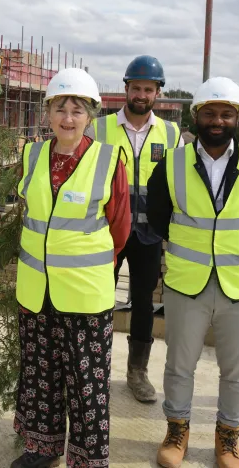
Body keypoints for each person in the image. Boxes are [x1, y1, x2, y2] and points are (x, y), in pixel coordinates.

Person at [146, 77, 239, 468]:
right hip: (186, 283)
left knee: (237, 370)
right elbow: (157, 217)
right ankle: (177, 430)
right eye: (210, 113)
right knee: (179, 365)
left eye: (226, 113)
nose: (218, 121)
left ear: (238, 117)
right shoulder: (172, 164)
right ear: (197, 116)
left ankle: (228, 438)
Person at [12, 68, 131, 468]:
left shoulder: (108, 160)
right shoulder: (32, 155)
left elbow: (120, 227)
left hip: (84, 294)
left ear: (90, 116)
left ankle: (86, 459)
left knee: (87, 384)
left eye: (77, 110)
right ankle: (41, 449)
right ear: (47, 113)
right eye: (60, 109)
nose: (67, 118)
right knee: (39, 375)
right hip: (36, 291)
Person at [87, 55, 181, 403]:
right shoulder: (98, 129)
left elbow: (176, 182)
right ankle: (94, 367)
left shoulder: (170, 134)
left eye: (149, 89)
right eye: (136, 88)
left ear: (158, 93)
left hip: (148, 234)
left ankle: (137, 372)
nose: (142, 95)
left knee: (143, 301)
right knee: (99, 298)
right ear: (126, 89)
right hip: (108, 231)